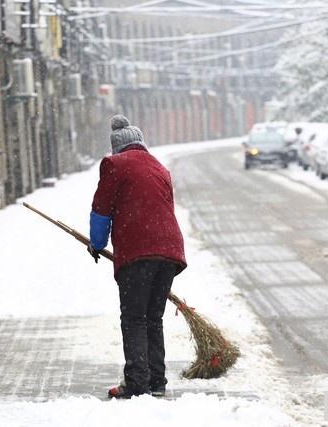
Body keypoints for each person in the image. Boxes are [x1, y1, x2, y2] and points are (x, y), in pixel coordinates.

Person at [88, 114, 187, 399]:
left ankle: (136, 383)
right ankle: (157, 380)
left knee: (134, 318)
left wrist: (96, 243)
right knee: (153, 318)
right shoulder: (159, 167)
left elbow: (101, 210)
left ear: (117, 148)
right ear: (140, 143)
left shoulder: (114, 165)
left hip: (138, 253)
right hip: (169, 252)